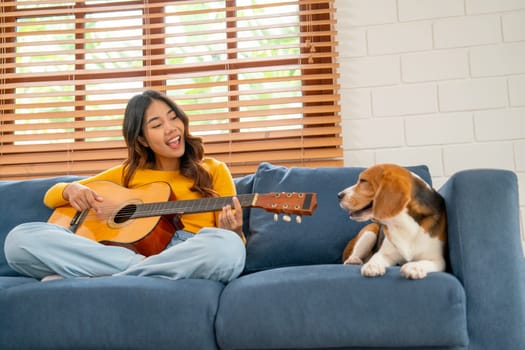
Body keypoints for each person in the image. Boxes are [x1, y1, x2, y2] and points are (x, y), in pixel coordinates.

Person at [4, 90, 246, 283]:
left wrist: (233, 231)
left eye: (173, 117)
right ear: (141, 139)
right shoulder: (127, 173)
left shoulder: (213, 169)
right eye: (157, 124)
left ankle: (97, 275)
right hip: (120, 252)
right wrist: (71, 189)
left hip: (185, 251)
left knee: (228, 248)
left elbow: (232, 245)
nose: (171, 128)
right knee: (18, 240)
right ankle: (139, 270)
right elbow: (51, 196)